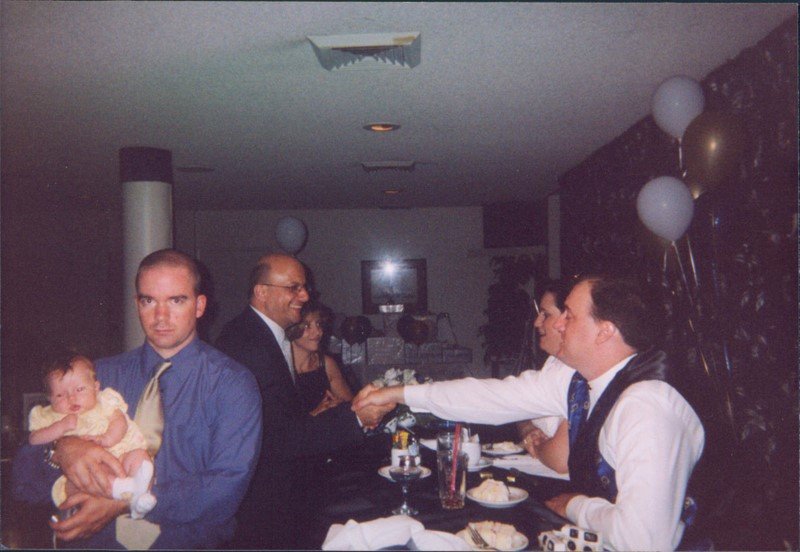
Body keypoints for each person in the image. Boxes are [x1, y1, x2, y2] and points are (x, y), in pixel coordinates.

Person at [354, 275, 705, 551]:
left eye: (570, 315)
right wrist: (398, 394)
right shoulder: (578, 381)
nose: (558, 324)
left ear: (605, 332)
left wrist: (576, 506)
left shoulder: (648, 405)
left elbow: (644, 541)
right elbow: (490, 397)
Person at [12, 249, 263, 549]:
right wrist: (60, 449)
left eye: (176, 300)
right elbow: (23, 483)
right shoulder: (96, 377)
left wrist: (125, 502)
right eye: (149, 301)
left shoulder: (232, 385)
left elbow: (224, 491)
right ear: (137, 304)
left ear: (199, 305)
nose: (161, 316)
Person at [215, 253, 392, 549]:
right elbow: (278, 437)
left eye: (304, 287)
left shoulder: (263, 335)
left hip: (281, 492)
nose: (305, 296)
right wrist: (357, 418)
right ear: (261, 292)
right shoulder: (248, 345)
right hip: (263, 504)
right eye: (293, 288)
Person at [28, 350, 156, 519]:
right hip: (84, 474)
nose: (71, 398)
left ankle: (137, 499)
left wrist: (108, 438)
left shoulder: (105, 401)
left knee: (140, 457)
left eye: (80, 389)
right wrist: (59, 428)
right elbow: (34, 439)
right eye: (60, 395)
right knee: (79, 481)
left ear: (95, 388)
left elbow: (120, 421)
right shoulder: (50, 416)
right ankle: (127, 490)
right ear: (50, 399)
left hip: (120, 456)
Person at [517, 279, 571, 475]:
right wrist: (528, 431)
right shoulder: (553, 363)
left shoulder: (582, 372)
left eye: (545, 315)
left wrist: (537, 445)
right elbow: (520, 406)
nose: (537, 323)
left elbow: (561, 459)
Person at [287, 300, 354, 415]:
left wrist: (340, 407)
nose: (317, 332)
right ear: (292, 329)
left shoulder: (327, 364)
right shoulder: (280, 368)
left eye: (318, 324)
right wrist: (314, 414)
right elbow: (277, 423)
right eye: (307, 326)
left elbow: (352, 408)